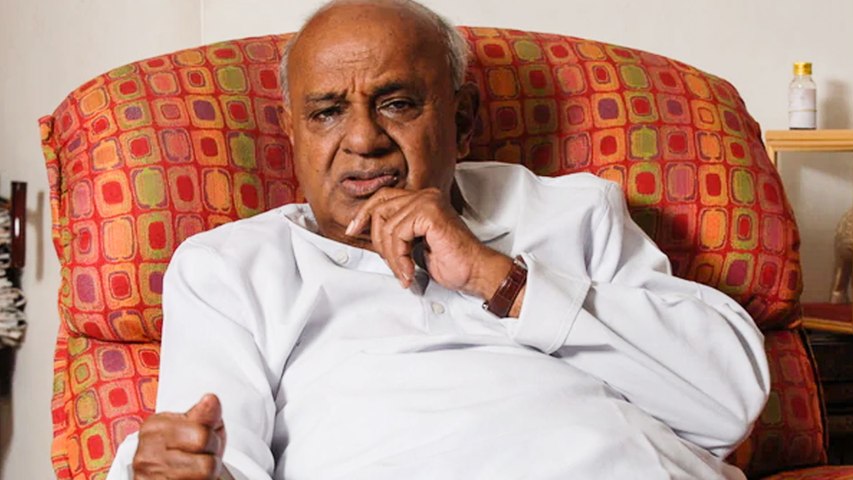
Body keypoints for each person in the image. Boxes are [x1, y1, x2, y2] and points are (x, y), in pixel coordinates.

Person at [108, 1, 769, 478]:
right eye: (328, 112)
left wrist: (496, 277)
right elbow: (217, 462)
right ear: (293, 133)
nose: (362, 140)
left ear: (463, 119)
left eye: (396, 103)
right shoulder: (228, 270)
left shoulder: (571, 210)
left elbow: (728, 402)